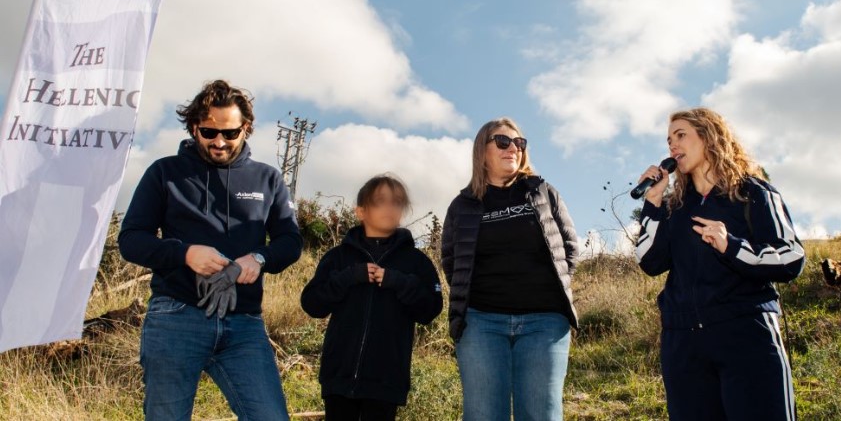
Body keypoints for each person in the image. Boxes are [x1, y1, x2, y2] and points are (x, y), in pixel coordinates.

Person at [118, 80, 303, 421]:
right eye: (209, 132)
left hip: (244, 324)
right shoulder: (164, 173)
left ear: (246, 129)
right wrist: (185, 254)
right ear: (194, 127)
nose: (219, 142)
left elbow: (290, 242)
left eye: (230, 133)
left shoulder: (268, 179)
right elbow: (131, 240)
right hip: (176, 318)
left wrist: (259, 258)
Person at [635, 108, 805, 421]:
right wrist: (653, 203)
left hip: (745, 333)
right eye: (669, 140)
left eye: (681, 135)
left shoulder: (753, 192)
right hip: (683, 343)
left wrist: (732, 246)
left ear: (709, 137)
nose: (672, 145)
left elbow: (791, 256)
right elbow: (649, 261)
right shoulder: (675, 208)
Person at [441, 117, 578, 421]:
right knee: (483, 415)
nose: (513, 148)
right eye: (503, 142)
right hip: (481, 322)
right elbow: (451, 261)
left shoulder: (543, 192)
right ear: (482, 152)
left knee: (542, 414)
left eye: (519, 143)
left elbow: (569, 247)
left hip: (545, 322)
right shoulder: (462, 205)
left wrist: (551, 290)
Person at [300, 174, 443, 420]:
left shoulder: (416, 262)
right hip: (338, 379)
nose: (389, 208)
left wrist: (397, 281)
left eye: (396, 202)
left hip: (386, 382)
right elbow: (312, 304)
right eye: (379, 201)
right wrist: (348, 277)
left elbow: (430, 309)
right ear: (361, 212)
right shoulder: (338, 257)